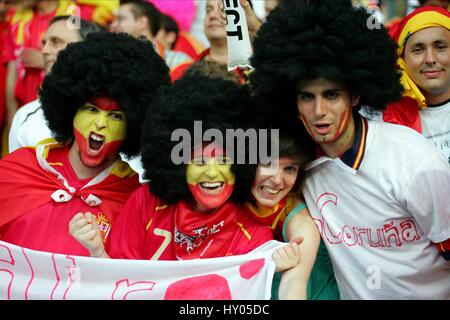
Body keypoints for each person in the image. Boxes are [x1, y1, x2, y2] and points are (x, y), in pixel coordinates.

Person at [250, 0, 450, 299]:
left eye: (331, 95)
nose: (319, 111)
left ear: (355, 95)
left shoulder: (414, 162)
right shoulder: (297, 166)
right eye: (307, 96)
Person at [69, 75, 303, 299]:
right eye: (199, 161)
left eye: (223, 161)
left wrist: (271, 264)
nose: (212, 173)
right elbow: (117, 285)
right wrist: (97, 251)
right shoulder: (146, 203)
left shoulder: (252, 237)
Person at [0, 32, 170, 256]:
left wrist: (100, 256)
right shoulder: (18, 170)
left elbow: (130, 285)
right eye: (91, 109)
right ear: (70, 110)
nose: (100, 124)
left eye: (116, 116)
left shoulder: (135, 201)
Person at [244, 129, 340, 300]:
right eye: (267, 164)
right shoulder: (224, 202)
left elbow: (294, 282)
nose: (277, 180)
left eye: (289, 169)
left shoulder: (299, 217)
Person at [8, 15, 102, 153]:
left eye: (56, 41)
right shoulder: (26, 116)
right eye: (44, 42)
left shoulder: (113, 113)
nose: (44, 51)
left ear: (86, 47)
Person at [372, 7, 450, 164]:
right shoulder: (382, 121)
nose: (430, 59)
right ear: (402, 59)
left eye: (440, 47)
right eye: (418, 50)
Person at [111, 0, 191, 80]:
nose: (113, 25)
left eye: (121, 19)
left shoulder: (178, 62)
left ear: (142, 22)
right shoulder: (111, 58)